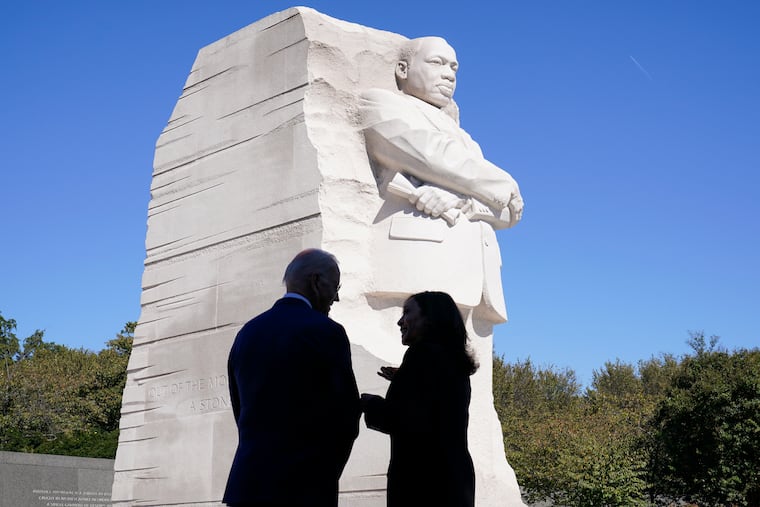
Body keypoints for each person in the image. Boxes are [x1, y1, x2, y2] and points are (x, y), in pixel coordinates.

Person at [359, 35, 524, 323]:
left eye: (454, 68)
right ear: (402, 69)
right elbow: (431, 154)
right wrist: (505, 183)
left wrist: (462, 200)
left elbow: (511, 212)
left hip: (475, 279)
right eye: (437, 63)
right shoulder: (381, 103)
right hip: (417, 266)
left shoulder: (467, 140)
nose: (449, 74)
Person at [223, 248, 361, 507]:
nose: (338, 297)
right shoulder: (326, 331)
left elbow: (240, 409)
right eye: (335, 286)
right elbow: (346, 417)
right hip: (304, 485)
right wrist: (326, 475)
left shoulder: (247, 332)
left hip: (247, 484)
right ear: (316, 281)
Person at [360, 291, 477, 507]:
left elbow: (400, 419)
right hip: (455, 482)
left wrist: (369, 403)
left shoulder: (420, 355)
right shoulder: (454, 362)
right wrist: (404, 379)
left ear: (429, 318)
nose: (400, 321)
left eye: (407, 313)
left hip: (421, 484)